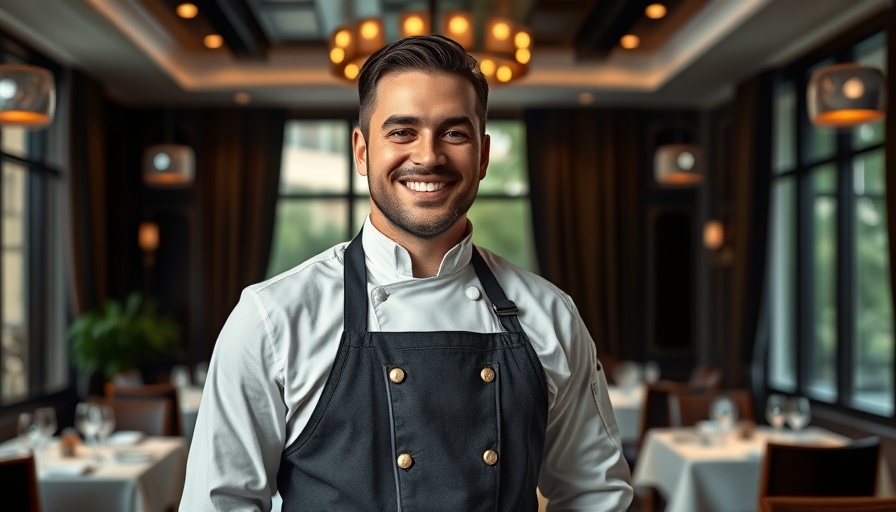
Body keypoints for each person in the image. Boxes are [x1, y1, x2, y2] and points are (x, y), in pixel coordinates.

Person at [180, 34, 632, 511]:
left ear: (482, 156)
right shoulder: (272, 317)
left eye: (454, 133)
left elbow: (595, 493)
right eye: (401, 132)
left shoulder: (551, 314)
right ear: (361, 150)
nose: (428, 156)